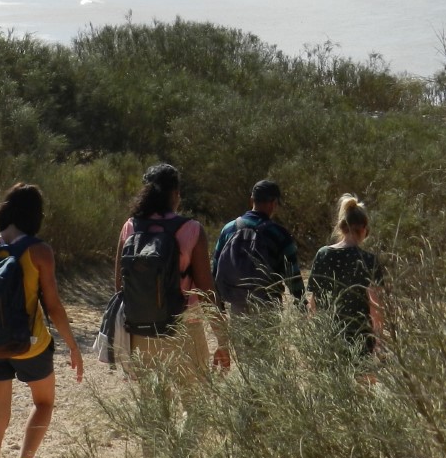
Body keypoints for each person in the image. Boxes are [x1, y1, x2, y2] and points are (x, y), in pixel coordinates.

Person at [0, 183, 84, 458]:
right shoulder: (39, 251)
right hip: (31, 345)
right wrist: (73, 346)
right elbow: (53, 307)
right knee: (44, 402)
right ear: (35, 215)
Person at [115, 163, 226, 381]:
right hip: (185, 329)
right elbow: (206, 290)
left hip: (141, 330)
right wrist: (222, 339)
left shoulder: (130, 227)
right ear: (175, 193)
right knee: (195, 404)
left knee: (153, 406)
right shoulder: (192, 229)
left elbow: (120, 285)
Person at [306, 194, 385, 356]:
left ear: (341, 227)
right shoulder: (369, 260)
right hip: (361, 338)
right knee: (364, 380)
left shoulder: (323, 254)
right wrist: (379, 342)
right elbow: (375, 307)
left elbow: (314, 301)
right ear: (364, 229)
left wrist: (312, 336)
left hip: (329, 335)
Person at [211, 178, 304, 313]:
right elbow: (292, 273)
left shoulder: (229, 229)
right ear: (273, 204)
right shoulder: (279, 233)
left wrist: (218, 303)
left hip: (237, 304)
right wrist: (301, 303)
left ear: (251, 201)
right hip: (268, 306)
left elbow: (216, 267)